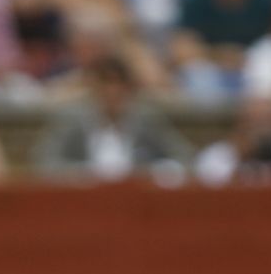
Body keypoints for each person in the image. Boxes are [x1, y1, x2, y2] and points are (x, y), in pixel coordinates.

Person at [33, 53, 192, 182]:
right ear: (94, 87)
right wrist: (83, 175)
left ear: (128, 88)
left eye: (118, 84)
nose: (112, 91)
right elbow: (45, 161)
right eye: (105, 84)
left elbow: (183, 157)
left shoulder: (146, 119)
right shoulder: (72, 119)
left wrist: (152, 173)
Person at [170, 0, 271, 97]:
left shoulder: (266, 2)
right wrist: (219, 56)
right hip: (212, 71)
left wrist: (244, 59)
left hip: (251, 71)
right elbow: (181, 51)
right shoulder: (196, 2)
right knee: (197, 75)